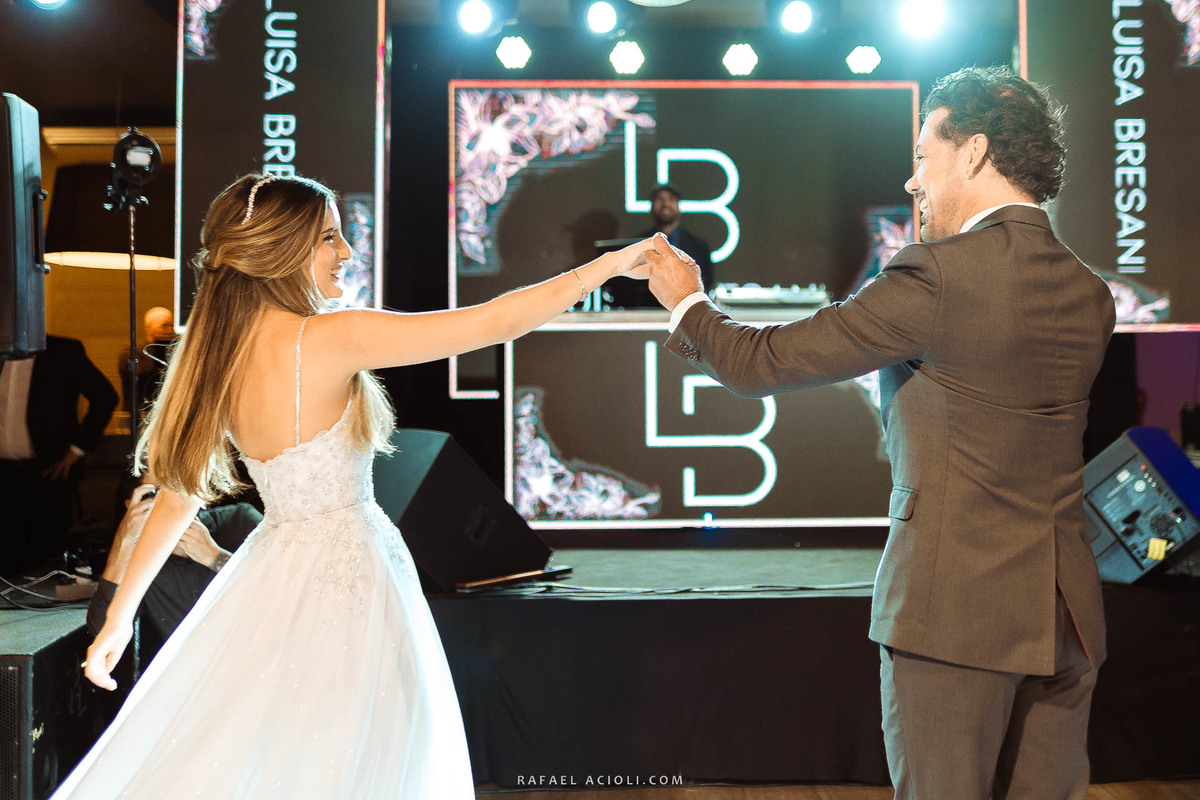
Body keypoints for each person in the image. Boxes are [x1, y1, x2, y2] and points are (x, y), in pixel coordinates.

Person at [54, 173, 654, 799]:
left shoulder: (215, 357)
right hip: (353, 571)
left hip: (272, 573)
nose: (346, 251)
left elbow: (177, 498)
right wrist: (610, 265)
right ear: (281, 249)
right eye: (329, 238)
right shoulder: (331, 337)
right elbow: (496, 322)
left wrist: (118, 619)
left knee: (284, 747)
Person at [643, 67, 1115, 799]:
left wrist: (687, 304)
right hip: (1067, 618)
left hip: (955, 614)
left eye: (924, 156)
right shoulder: (1090, 290)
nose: (912, 179)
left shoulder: (938, 276)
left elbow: (757, 362)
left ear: (974, 153)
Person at [0, 335, 118, 575]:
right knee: (6, 563)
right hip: (3, 477)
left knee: (46, 563)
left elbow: (105, 397)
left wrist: (77, 450)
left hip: (47, 473)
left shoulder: (63, 351)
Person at [86, 483, 261, 641]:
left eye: (176, 490)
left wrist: (214, 556)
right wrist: (124, 541)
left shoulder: (241, 520)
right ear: (132, 506)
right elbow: (99, 629)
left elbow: (276, 591)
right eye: (155, 496)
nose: (169, 505)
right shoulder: (139, 564)